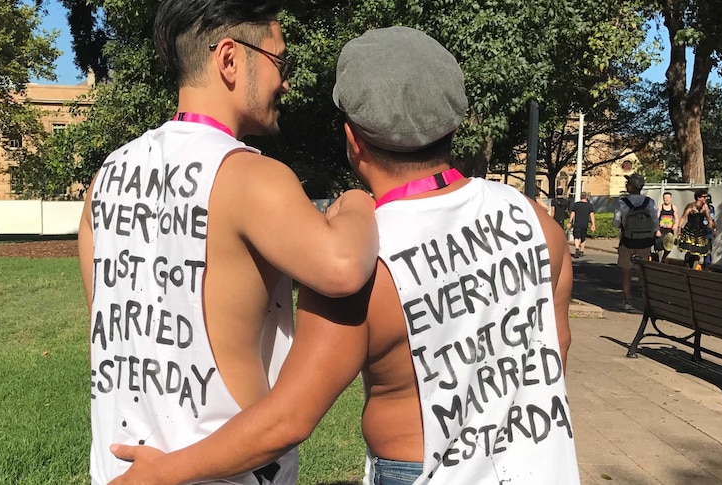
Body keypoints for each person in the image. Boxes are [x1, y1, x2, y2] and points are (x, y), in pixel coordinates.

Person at [106, 26, 579, 485]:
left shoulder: (370, 265)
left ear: (353, 141)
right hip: (538, 463)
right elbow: (551, 350)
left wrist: (165, 471)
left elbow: (285, 421)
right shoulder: (539, 224)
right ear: (453, 123)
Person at [77, 1, 379, 484]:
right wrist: (358, 202)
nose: (286, 81)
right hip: (224, 470)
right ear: (230, 59)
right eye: (281, 61)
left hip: (120, 469)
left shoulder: (107, 176)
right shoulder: (252, 176)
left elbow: (109, 330)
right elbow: (344, 266)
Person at [613, 173, 658, 310]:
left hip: (628, 241)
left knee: (626, 271)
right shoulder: (649, 202)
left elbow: (616, 222)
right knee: (642, 271)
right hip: (645, 241)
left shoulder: (623, 202)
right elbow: (655, 221)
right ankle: (646, 300)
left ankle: (627, 301)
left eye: (628, 183)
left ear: (632, 186)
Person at [677, 189, 715, 269]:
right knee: (690, 250)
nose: (705, 199)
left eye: (706, 197)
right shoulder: (690, 206)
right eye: (703, 197)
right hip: (690, 230)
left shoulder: (705, 207)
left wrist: (711, 226)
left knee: (698, 252)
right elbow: (683, 217)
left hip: (700, 231)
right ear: (698, 198)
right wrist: (679, 228)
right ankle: (686, 265)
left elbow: (709, 219)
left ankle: (693, 269)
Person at [568, 191, 595, 258]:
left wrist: (570, 221)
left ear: (580, 197)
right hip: (585, 223)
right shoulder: (589, 205)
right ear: (586, 197)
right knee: (583, 237)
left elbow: (572, 213)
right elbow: (592, 215)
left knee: (576, 236)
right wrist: (593, 224)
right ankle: (582, 251)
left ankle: (577, 248)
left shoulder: (576, 204)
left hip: (577, 223)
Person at [656, 191, 678, 262]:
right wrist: (657, 230)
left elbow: (677, 218)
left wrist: (676, 224)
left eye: (668, 197)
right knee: (660, 246)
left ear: (671, 198)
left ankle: (664, 257)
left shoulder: (673, 208)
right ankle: (659, 260)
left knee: (669, 247)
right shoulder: (660, 207)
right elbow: (656, 219)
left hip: (669, 230)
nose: (667, 199)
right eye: (665, 198)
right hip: (661, 229)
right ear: (663, 199)